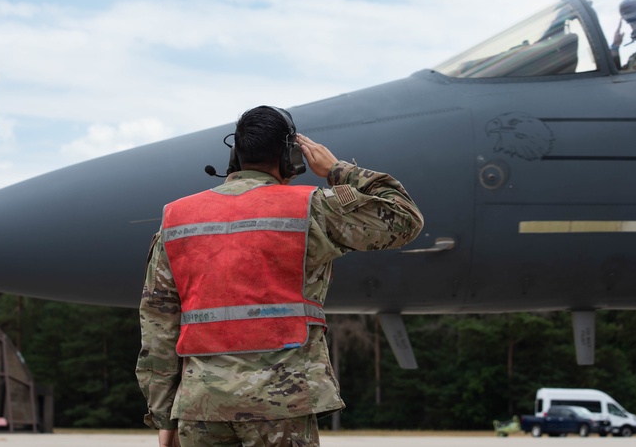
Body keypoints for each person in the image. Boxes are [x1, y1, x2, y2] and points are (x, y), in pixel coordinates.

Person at [136, 105, 424, 447]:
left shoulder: (177, 219)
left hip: (200, 407)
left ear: (235, 156)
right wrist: (336, 169)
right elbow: (404, 218)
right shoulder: (311, 208)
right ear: (290, 156)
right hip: (282, 403)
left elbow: (158, 325)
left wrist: (164, 415)